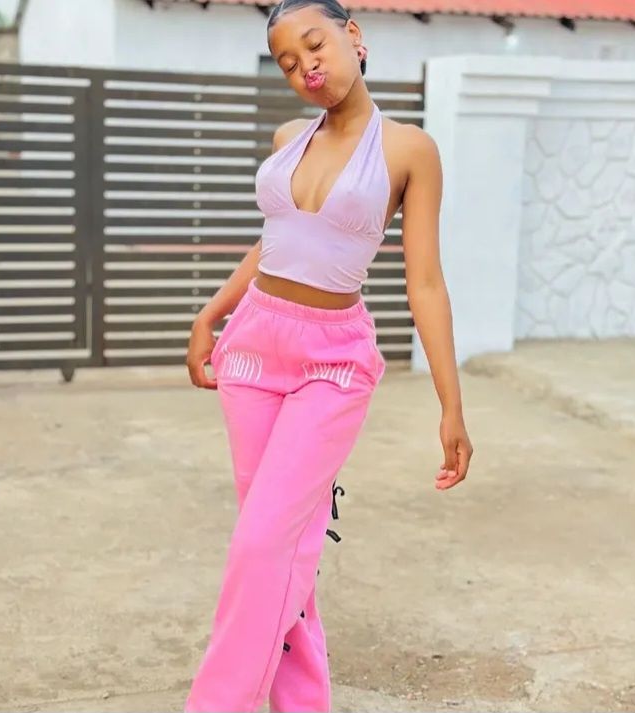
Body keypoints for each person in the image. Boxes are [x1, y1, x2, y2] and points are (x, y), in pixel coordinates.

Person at [184, 0, 474, 710]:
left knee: (262, 545)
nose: (305, 67)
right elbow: (277, 241)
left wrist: (451, 404)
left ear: (353, 35)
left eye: (314, 45)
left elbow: (425, 282)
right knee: (281, 550)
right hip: (253, 350)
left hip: (332, 365)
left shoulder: (409, 150)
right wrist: (211, 313)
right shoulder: (290, 137)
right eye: (288, 62)